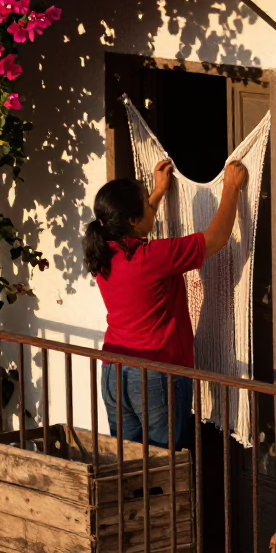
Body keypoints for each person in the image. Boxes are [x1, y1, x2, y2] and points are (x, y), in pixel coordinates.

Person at [83, 157, 247, 450]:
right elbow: (217, 238)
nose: (152, 207)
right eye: (147, 205)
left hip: (114, 371)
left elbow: (136, 227)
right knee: (166, 464)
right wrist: (231, 188)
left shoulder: (103, 253)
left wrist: (158, 193)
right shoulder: (152, 257)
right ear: (132, 221)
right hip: (155, 374)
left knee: (129, 463)